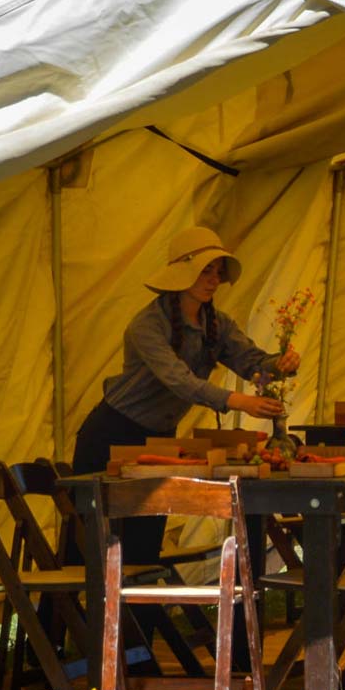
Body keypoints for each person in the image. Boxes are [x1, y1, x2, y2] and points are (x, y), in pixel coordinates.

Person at [71, 225, 299, 564]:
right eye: (205, 271)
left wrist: (280, 365)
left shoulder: (217, 323)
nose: (213, 279)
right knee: (84, 549)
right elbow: (179, 380)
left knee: (144, 547)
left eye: (217, 272)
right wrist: (237, 401)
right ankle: (59, 618)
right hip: (111, 435)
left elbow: (251, 363)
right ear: (182, 273)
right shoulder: (147, 325)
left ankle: (135, 617)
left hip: (160, 441)